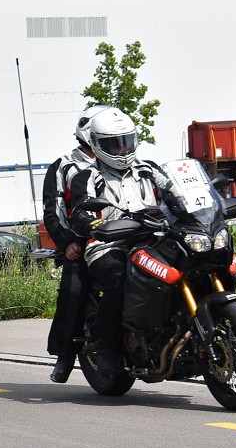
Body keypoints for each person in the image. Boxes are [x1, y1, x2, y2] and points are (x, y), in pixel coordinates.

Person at [69, 108, 165, 376]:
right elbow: (79, 211)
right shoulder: (88, 175)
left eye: (126, 142)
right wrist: (94, 224)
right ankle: (105, 345)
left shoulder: (149, 169)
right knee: (119, 278)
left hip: (151, 239)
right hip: (108, 246)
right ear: (97, 145)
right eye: (114, 144)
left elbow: (175, 192)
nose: (122, 150)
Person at [42, 105, 110, 383]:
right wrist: (67, 241)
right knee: (74, 291)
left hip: (125, 235)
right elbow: (52, 210)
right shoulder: (63, 165)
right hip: (83, 240)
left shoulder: (119, 161)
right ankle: (66, 355)